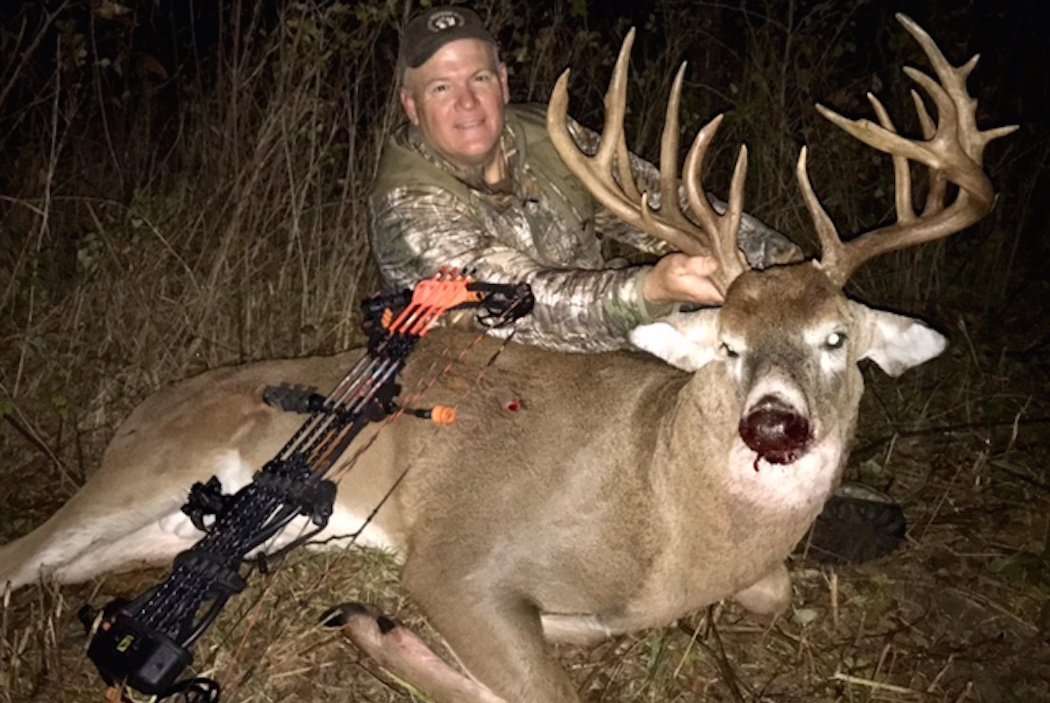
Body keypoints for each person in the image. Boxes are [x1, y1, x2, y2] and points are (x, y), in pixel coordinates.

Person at [369, 6, 904, 562]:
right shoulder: (407, 202)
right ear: (411, 105)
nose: (467, 102)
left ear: (502, 81)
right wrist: (646, 292)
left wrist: (780, 269)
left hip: (600, 350)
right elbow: (510, 301)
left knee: (739, 354)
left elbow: (650, 201)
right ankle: (724, 522)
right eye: (440, 87)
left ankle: (773, 488)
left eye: (479, 78)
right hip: (481, 375)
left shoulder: (550, 139)